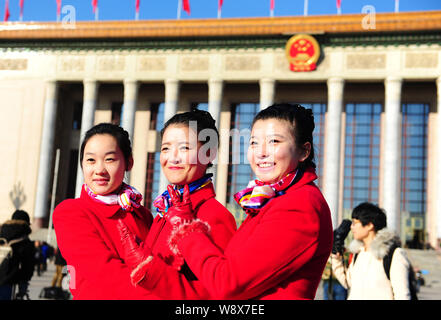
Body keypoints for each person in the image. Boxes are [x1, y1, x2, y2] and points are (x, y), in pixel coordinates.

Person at [118, 103, 333, 299]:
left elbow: (224, 286)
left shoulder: (298, 206)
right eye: (254, 143)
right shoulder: (276, 201)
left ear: (304, 151)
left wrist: (183, 231)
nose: (261, 153)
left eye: (274, 141)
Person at [120, 108, 237, 299]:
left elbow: (220, 294)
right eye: (165, 148)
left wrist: (151, 270)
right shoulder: (165, 211)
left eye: (184, 148)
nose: (172, 158)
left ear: (209, 154)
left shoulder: (215, 215)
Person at [53, 123, 154, 299]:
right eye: (91, 160)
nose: (99, 170)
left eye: (109, 159)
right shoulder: (70, 212)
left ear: (128, 162)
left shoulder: (143, 214)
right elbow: (105, 275)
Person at [330, 202, 412, 300]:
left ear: (369, 225)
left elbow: (402, 295)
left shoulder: (393, 254)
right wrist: (336, 259)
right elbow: (349, 283)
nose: (351, 227)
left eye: (355, 223)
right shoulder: (359, 253)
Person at [0, 210, 36, 300]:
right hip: (7, 281)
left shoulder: (1, 232)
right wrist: (23, 285)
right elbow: (27, 266)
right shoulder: (25, 240)